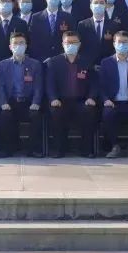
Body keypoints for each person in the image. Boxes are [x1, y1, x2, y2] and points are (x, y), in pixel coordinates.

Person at [45, 30, 98, 158]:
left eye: (74, 42)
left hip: (81, 100)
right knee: (55, 112)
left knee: (90, 111)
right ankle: (59, 149)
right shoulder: (54, 62)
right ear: (62, 44)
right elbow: (49, 84)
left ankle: (86, 150)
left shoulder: (86, 62)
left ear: (79, 44)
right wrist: (53, 98)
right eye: (68, 42)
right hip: (61, 101)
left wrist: (91, 97)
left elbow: (94, 83)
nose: (71, 45)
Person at [0, 32, 45, 158]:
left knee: (36, 115)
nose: (18, 46)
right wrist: (3, 103)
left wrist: (36, 102)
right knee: (4, 115)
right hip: (10, 101)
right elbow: (0, 87)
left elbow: (38, 86)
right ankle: (7, 149)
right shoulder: (2, 65)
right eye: (15, 43)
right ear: (10, 47)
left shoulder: (35, 64)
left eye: (21, 43)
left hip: (28, 102)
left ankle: (33, 149)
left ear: (26, 46)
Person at [97, 31, 128, 159]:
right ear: (114, 44)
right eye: (119, 42)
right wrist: (106, 100)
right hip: (113, 102)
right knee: (107, 114)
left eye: (125, 42)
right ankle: (114, 146)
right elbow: (101, 86)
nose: (122, 45)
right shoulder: (106, 62)